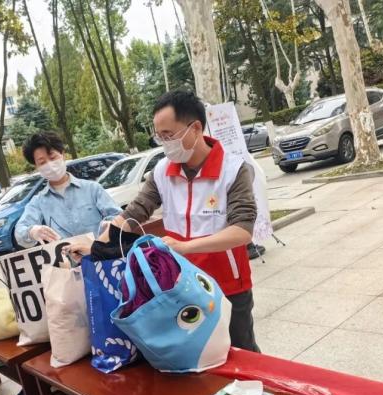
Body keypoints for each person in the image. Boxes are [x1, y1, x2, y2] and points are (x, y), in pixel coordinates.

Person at [72, 90, 260, 352]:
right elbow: (134, 213)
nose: (164, 143)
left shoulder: (233, 169)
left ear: (195, 128)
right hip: (178, 283)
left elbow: (242, 231)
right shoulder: (162, 171)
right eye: (159, 136)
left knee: (240, 352)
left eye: (169, 135)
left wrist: (185, 247)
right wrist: (97, 248)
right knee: (193, 353)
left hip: (226, 283)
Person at [15, 132, 121, 247]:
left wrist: (111, 224)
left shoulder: (92, 189)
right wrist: (32, 231)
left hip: (100, 253)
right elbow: (20, 232)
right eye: (42, 162)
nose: (50, 165)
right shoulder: (38, 202)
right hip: (67, 258)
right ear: (36, 166)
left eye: (52, 157)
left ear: (62, 155)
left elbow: (118, 215)